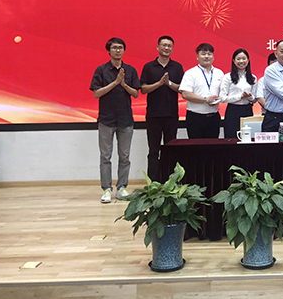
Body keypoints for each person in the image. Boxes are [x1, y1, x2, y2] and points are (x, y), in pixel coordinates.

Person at [90, 37, 140, 203]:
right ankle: (106, 189)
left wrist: (123, 84)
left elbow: (136, 93)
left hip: (126, 119)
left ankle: (122, 187)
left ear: (124, 50)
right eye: (114, 48)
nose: (118, 50)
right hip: (106, 119)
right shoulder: (101, 70)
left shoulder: (130, 70)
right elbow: (96, 93)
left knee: (124, 156)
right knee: (105, 156)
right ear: (109, 50)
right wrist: (115, 83)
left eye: (120, 48)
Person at [140, 35, 184, 181]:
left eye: (169, 46)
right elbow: (143, 89)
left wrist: (169, 83)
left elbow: (182, 89)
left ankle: (170, 181)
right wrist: (159, 84)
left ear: (172, 48)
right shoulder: (149, 67)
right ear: (158, 47)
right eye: (164, 45)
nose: (166, 48)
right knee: (153, 150)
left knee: (171, 149)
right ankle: (153, 182)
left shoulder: (177, 67)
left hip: (171, 115)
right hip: (153, 115)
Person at [179, 43, 224, 139]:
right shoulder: (190, 73)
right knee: (196, 146)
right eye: (203, 54)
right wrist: (205, 99)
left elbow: (223, 92)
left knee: (213, 146)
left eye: (209, 54)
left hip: (214, 117)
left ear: (213, 57)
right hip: (195, 118)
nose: (207, 56)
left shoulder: (219, 73)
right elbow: (185, 94)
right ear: (197, 57)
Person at [219, 48, 257, 138]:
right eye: (238, 59)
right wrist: (239, 97)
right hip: (233, 111)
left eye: (244, 58)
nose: (241, 61)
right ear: (234, 61)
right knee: (231, 138)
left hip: (247, 110)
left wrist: (249, 97)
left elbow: (255, 99)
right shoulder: (228, 77)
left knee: (248, 138)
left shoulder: (253, 78)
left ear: (248, 60)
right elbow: (222, 98)